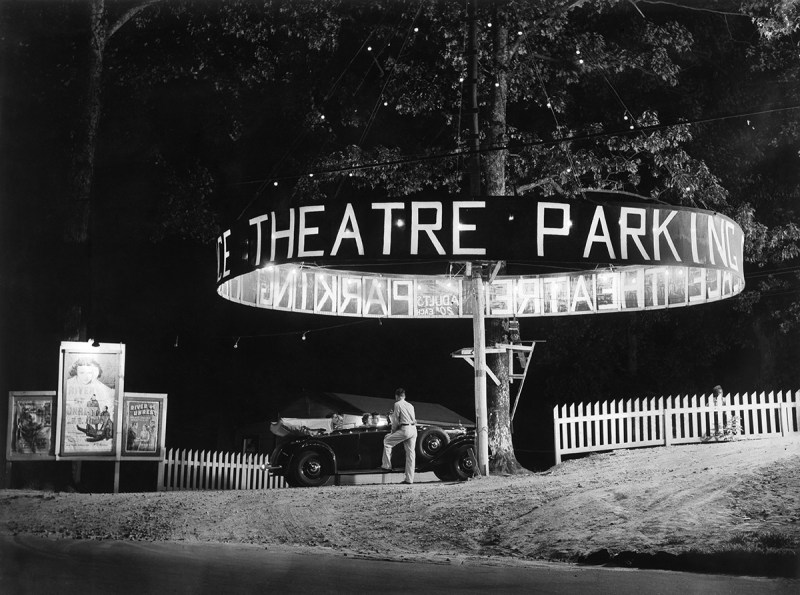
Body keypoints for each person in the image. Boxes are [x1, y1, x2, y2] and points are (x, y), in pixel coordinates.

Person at [381, 388, 417, 484]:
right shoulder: (410, 405)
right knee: (410, 454)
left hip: (405, 429)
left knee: (387, 441)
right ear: (404, 396)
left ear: (396, 396)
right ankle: (409, 479)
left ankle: (386, 465)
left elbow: (396, 420)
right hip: (413, 429)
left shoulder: (397, 404)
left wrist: (393, 431)